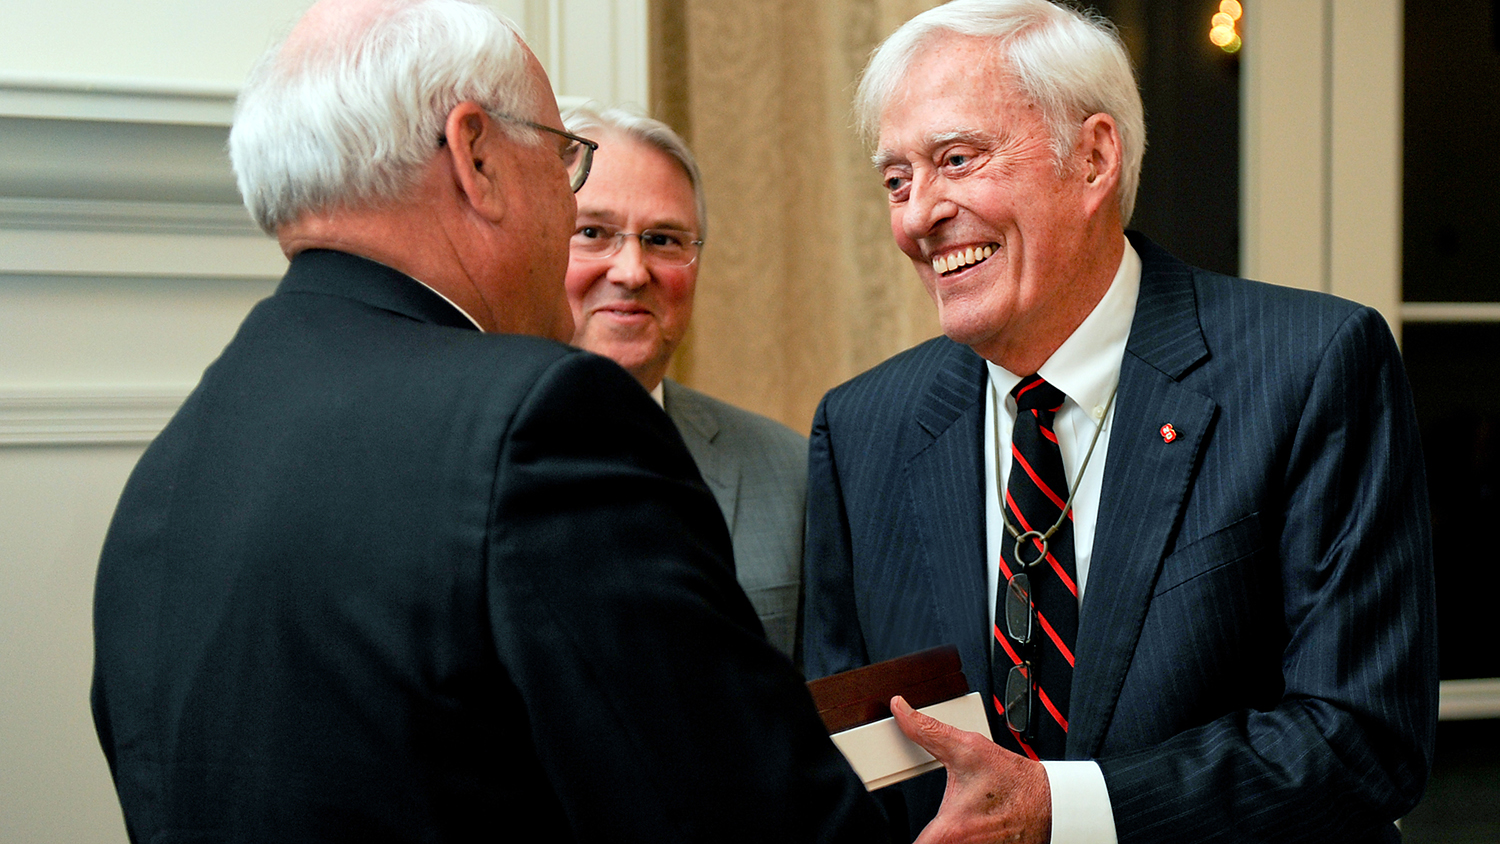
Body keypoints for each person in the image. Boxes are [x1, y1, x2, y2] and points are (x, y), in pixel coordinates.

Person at [89, 1, 888, 841]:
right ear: (475, 155)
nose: (571, 200)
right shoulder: (542, 421)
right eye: (563, 160)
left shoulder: (173, 467)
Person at [800, 1, 1438, 842]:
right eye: (897, 179)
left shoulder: (1310, 367)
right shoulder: (862, 429)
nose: (919, 216)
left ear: (1094, 157)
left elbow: (1363, 739)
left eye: (957, 159)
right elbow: (850, 763)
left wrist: (1058, 811)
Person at [561, 105, 808, 659]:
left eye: (664, 240)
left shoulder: (793, 473)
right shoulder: (453, 457)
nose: (630, 270)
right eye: (593, 232)